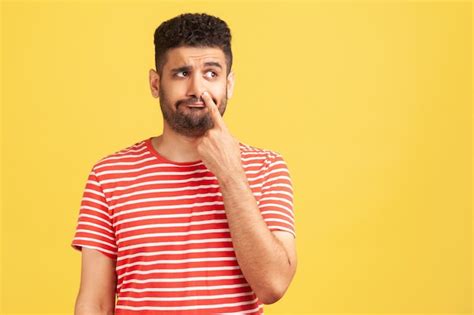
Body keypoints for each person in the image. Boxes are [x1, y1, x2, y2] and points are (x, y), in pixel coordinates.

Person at [71, 12, 297, 314]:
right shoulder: (109, 175)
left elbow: (273, 285)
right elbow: (95, 304)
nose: (197, 90)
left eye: (211, 74)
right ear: (155, 83)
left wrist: (230, 175)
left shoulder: (267, 169)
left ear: (229, 84)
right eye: (181, 73)